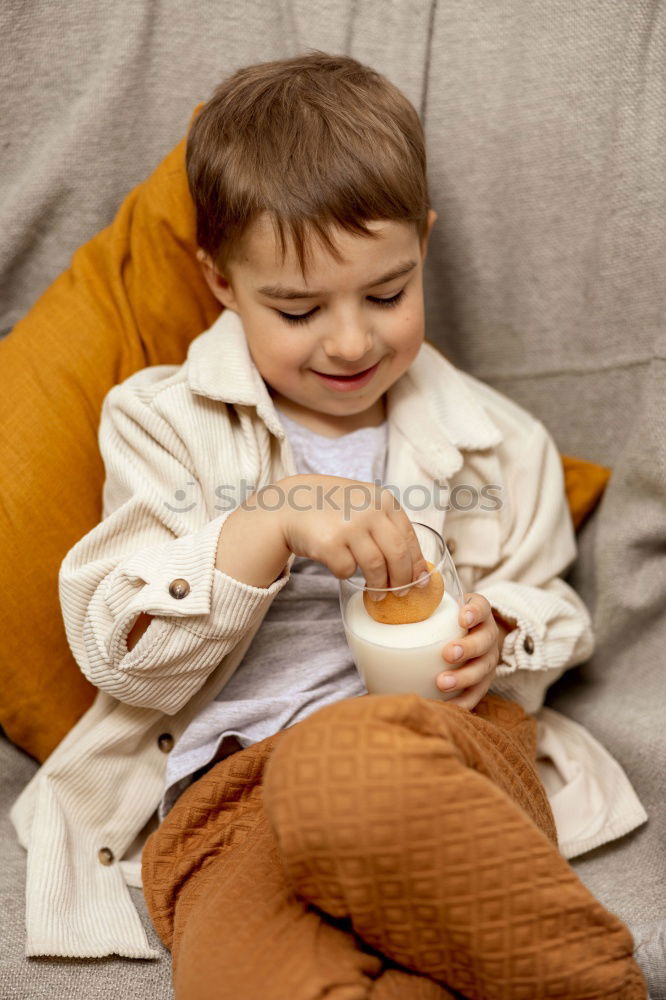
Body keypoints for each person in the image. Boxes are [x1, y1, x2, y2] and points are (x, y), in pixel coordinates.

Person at [10, 51, 647, 999]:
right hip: (229, 803)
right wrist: (264, 523)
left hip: (441, 761)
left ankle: (587, 981)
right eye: (299, 308)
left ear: (423, 246)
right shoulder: (159, 423)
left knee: (343, 767)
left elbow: (549, 599)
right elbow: (117, 647)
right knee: (244, 978)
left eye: (387, 294)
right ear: (221, 282)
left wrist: (502, 634)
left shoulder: (494, 443)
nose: (352, 341)